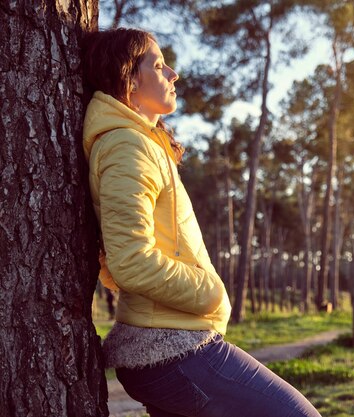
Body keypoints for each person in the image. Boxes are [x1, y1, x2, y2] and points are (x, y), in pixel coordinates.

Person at [81, 28, 321, 417]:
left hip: (167, 344)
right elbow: (130, 260)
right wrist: (209, 290)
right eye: (158, 65)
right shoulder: (126, 146)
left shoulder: (141, 143)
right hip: (169, 348)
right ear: (128, 77)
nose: (173, 73)